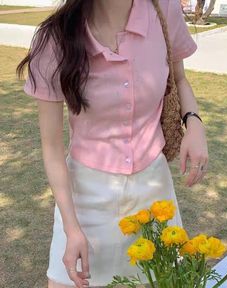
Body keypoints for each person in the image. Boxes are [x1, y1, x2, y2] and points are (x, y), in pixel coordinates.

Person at [16, 0, 209, 287]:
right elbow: (52, 149)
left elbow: (179, 77)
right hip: (85, 198)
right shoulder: (53, 39)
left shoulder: (164, 10)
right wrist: (72, 228)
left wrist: (193, 123)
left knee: (160, 280)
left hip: (153, 192)